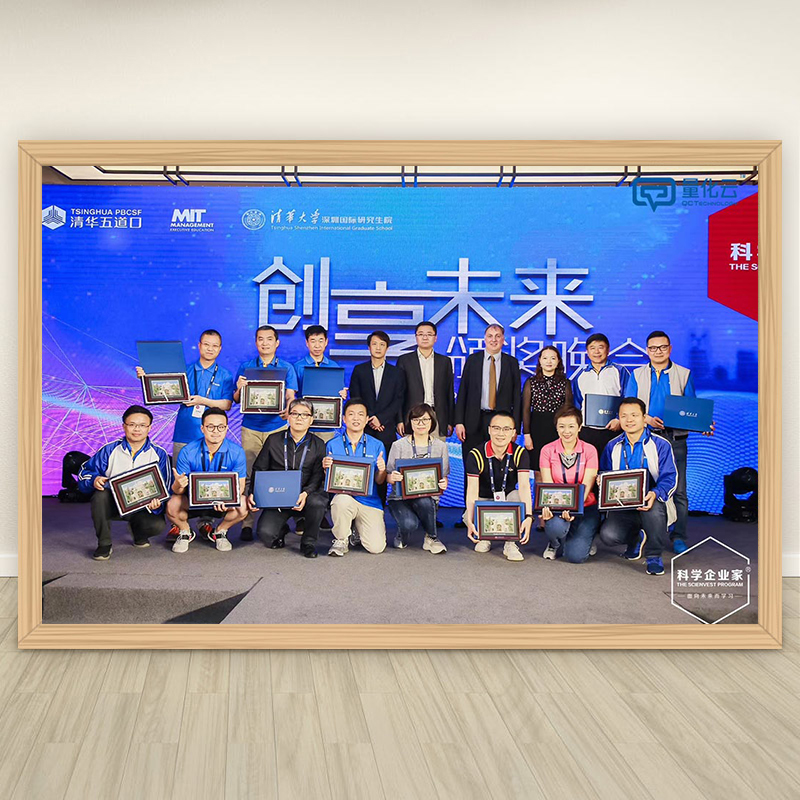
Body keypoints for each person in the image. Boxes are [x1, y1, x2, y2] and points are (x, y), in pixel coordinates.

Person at [137, 329, 234, 542]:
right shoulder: (184, 371)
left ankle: (206, 521)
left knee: (209, 477)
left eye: (215, 345)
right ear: (199, 346)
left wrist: (202, 401)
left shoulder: (225, 375)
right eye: (206, 344)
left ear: (220, 349)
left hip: (212, 437)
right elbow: (161, 389)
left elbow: (227, 404)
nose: (210, 349)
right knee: (180, 479)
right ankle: (178, 523)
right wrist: (146, 377)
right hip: (184, 433)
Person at [628, 330, 711, 555]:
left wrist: (704, 424)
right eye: (653, 348)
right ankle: (641, 534)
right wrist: (645, 418)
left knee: (679, 490)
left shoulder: (684, 374)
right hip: (646, 439)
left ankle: (678, 536)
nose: (658, 351)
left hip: (675, 439)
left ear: (670, 349)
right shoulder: (636, 374)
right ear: (647, 350)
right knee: (643, 488)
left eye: (662, 347)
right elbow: (629, 405)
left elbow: (693, 409)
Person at [78, 405, 171, 560]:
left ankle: (138, 533)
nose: (137, 429)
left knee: (157, 525)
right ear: (124, 426)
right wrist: (94, 480)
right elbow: (84, 472)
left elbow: (166, 487)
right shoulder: (109, 450)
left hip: (143, 507)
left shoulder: (159, 454)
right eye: (132, 424)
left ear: (149, 428)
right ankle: (104, 543)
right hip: (113, 504)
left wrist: (158, 503)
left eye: (142, 425)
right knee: (100, 496)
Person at [597, 397, 678, 576]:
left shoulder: (660, 444)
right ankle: (636, 538)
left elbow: (670, 477)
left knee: (654, 511)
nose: (629, 420)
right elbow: (604, 472)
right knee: (609, 536)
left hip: (652, 500)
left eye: (634, 415)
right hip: (623, 503)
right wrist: (601, 479)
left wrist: (655, 493)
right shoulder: (612, 446)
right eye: (624, 416)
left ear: (644, 417)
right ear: (618, 418)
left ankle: (654, 556)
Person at [234, 325, 299, 541]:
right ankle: (247, 523)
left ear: (277, 342)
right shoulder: (246, 367)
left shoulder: (287, 368)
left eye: (269, 339)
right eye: (260, 339)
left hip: (277, 427)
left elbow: (290, 396)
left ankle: (278, 521)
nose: (265, 343)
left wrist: (288, 408)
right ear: (256, 342)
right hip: (251, 428)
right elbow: (236, 399)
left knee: (278, 474)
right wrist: (239, 388)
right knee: (248, 475)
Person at [454, 324, 521, 524]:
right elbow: (463, 392)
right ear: (484, 339)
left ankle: (497, 512)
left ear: (503, 340)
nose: (493, 339)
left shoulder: (511, 362)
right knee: (472, 467)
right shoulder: (473, 360)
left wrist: (515, 427)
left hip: (501, 424)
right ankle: (469, 514)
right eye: (490, 336)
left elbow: (516, 398)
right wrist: (459, 422)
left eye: (497, 336)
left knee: (500, 467)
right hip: (473, 421)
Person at [247, 398, 328, 558]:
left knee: (318, 502)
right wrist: (253, 493)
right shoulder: (274, 440)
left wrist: (306, 493)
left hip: (306, 496)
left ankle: (308, 542)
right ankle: (281, 529)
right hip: (279, 496)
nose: (299, 418)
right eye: (295, 414)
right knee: (266, 534)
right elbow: (259, 468)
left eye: (305, 415)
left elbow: (318, 476)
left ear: (311, 420)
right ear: (288, 417)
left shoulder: (319, 444)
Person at [167, 409, 247, 553]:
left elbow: (240, 487)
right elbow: (177, 491)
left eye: (221, 427)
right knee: (173, 504)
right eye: (210, 427)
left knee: (243, 505)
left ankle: (220, 532)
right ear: (202, 428)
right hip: (193, 501)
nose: (216, 431)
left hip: (222, 503)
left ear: (226, 428)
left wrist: (227, 500)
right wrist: (178, 484)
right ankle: (185, 531)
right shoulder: (188, 451)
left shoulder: (237, 452)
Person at [463, 410, 533, 562]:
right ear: (489, 430)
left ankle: (510, 543)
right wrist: (470, 520)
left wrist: (529, 516)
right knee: (468, 514)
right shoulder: (475, 454)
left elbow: (524, 486)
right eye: (496, 428)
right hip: (484, 501)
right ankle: (485, 536)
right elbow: (472, 490)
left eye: (506, 429)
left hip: (508, 499)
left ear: (513, 432)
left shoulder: (520, 453)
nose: (501, 433)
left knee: (518, 498)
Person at [323, 399, 388, 556]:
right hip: (345, 498)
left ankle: (356, 528)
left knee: (376, 548)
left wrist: (382, 470)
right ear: (344, 419)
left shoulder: (377, 445)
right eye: (351, 414)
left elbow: (379, 481)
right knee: (341, 500)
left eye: (360, 414)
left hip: (369, 501)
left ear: (367, 419)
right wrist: (326, 469)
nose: (356, 418)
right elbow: (330, 481)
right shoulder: (332, 444)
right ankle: (341, 540)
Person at [348, 330, 405, 505]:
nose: (378, 348)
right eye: (374, 344)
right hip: (363, 428)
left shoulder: (397, 372)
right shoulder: (359, 370)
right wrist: (371, 417)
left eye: (382, 344)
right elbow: (355, 396)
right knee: (360, 469)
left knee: (382, 469)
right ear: (368, 347)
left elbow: (399, 399)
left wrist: (381, 418)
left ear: (387, 348)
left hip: (386, 429)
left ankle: (379, 508)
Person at [538, 406, 600, 563]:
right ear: (556, 428)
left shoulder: (590, 450)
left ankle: (584, 537)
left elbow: (587, 484)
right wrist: (552, 506)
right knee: (555, 527)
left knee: (575, 557)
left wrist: (574, 508)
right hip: (558, 504)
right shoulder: (547, 450)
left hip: (585, 505)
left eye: (571, 426)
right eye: (562, 426)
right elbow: (548, 484)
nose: (566, 431)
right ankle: (554, 543)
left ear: (579, 427)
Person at [386, 403, 449, 553]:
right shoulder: (398, 445)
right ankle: (403, 533)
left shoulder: (440, 446)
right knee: (409, 524)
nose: (421, 424)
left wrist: (444, 483)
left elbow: (444, 477)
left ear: (432, 422)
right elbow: (388, 477)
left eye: (425, 420)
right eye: (416, 420)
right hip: (400, 498)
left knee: (425, 501)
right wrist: (392, 477)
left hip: (427, 497)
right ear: (410, 422)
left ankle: (431, 538)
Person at [571, 333, 630, 457]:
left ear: (608, 350)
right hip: (587, 430)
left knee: (613, 465)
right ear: (587, 352)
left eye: (600, 347)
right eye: (592, 348)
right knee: (589, 466)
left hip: (613, 428)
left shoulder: (620, 371)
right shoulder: (580, 375)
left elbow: (628, 399)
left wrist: (619, 420)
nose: (596, 352)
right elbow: (577, 403)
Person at [396, 321, 455, 441]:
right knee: (412, 452)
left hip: (437, 416)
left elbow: (449, 393)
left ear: (435, 338)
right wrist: (399, 420)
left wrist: (450, 421)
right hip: (412, 417)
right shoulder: (405, 361)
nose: (425, 337)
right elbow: (398, 393)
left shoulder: (445, 362)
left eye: (429, 334)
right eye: (421, 334)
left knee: (437, 451)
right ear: (416, 337)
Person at [294, 324, 348, 444]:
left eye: (320, 341)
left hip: (327, 426)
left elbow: (340, 394)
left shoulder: (334, 367)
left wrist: (342, 394)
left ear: (326, 342)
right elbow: (293, 395)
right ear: (307, 343)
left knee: (325, 454)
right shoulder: (298, 367)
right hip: (304, 425)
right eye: (313, 341)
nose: (317, 345)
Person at [522, 345, 573, 465]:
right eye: (545, 358)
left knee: (557, 465)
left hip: (558, 428)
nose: (549, 361)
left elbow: (568, 410)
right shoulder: (531, 382)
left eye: (553, 358)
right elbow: (525, 410)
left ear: (558, 361)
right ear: (540, 361)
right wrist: (527, 434)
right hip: (536, 428)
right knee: (537, 465)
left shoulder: (565, 383)